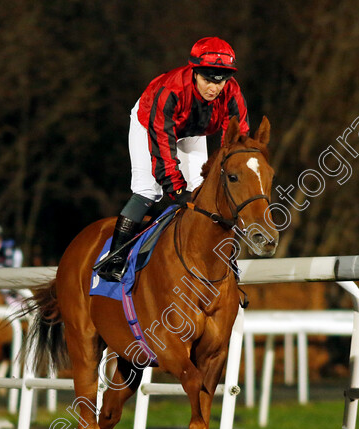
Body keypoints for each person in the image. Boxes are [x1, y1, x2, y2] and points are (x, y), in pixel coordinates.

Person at [96, 36, 251, 282]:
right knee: (148, 190)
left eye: (221, 80)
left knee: (201, 191)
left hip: (192, 130)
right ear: (194, 72)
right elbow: (162, 143)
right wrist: (175, 188)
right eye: (208, 79)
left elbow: (237, 139)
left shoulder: (231, 92)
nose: (215, 87)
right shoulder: (171, 91)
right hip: (151, 124)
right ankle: (114, 257)